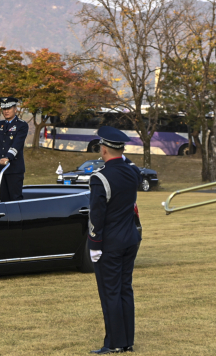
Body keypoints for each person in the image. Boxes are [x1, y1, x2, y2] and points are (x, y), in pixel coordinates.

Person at [88, 126, 141, 354]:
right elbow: (129, 165)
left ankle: (115, 343)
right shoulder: (132, 172)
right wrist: (120, 154)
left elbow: (96, 216)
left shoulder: (100, 178)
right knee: (124, 290)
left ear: (104, 149)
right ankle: (127, 340)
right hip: (130, 237)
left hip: (109, 242)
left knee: (110, 292)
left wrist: (94, 244)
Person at [0, 97, 28, 202]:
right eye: (4, 109)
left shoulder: (22, 125)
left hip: (14, 168)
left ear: (15, 109)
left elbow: (17, 144)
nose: (6, 111)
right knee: (3, 199)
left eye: (9, 108)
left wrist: (8, 157)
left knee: (15, 199)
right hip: (1, 167)